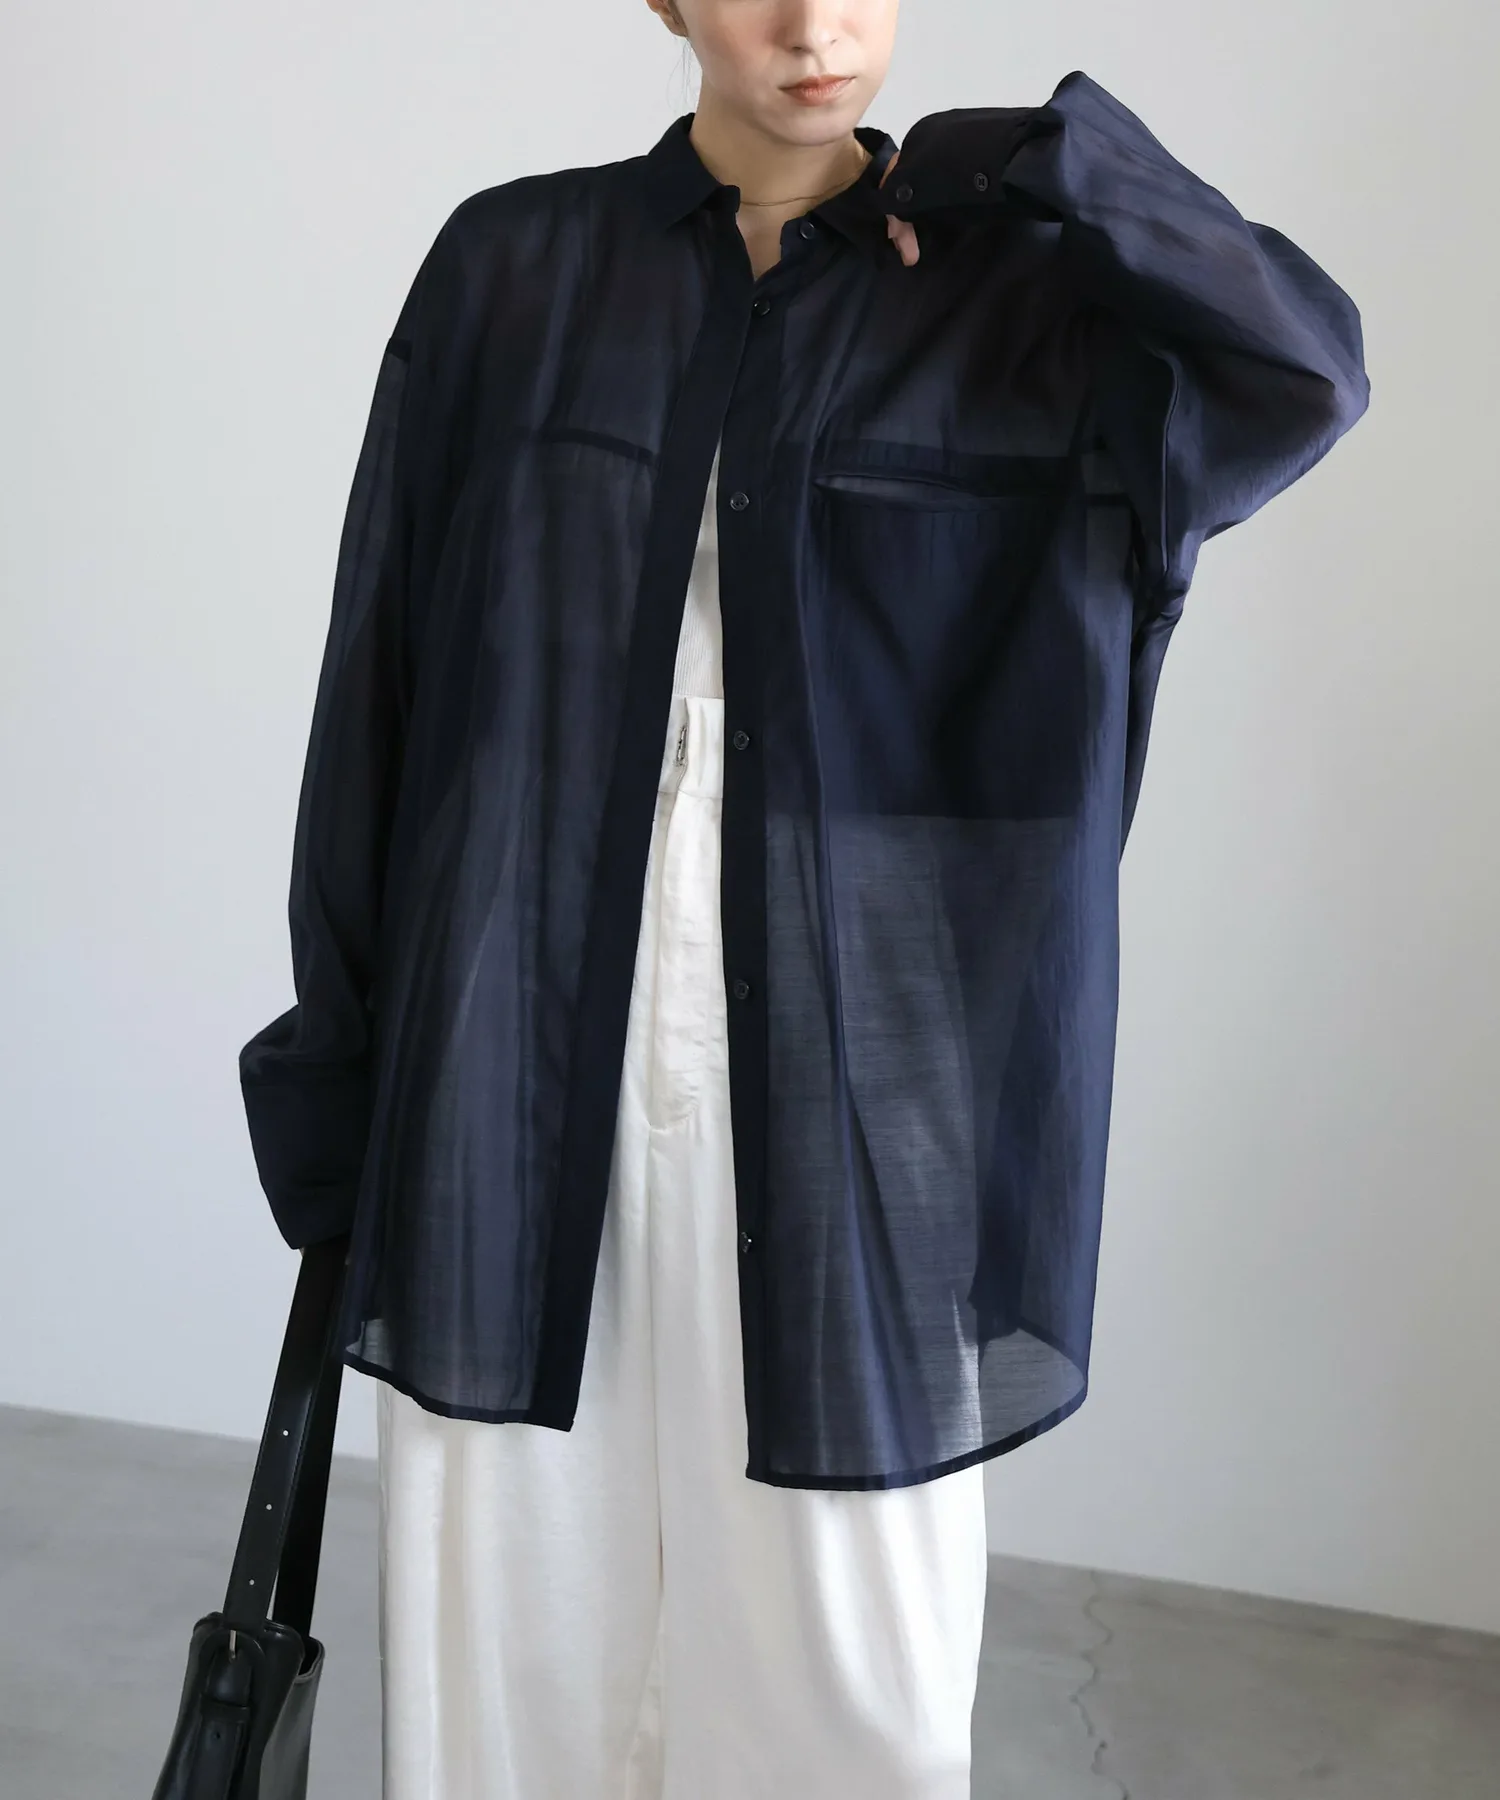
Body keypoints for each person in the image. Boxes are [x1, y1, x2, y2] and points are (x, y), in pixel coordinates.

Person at [242, 2, 1369, 1794]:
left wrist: (1032, 158)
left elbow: (1301, 365)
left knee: (857, 1692)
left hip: (859, 1074)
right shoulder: (514, 269)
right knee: (511, 1667)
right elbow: (380, 680)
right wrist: (338, 1072)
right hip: (512, 1047)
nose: (816, 23)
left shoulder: (1014, 294)